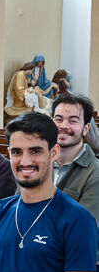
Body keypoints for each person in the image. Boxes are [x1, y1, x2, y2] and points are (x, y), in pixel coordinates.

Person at [0, 111, 97, 272]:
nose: (25, 161)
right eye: (17, 152)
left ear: (54, 152)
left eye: (35, 151)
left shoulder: (78, 219)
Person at [51, 93, 99, 244]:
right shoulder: (37, 163)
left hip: (68, 260)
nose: (63, 126)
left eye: (73, 121)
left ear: (85, 128)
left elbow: (85, 229)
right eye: (58, 119)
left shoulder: (94, 173)